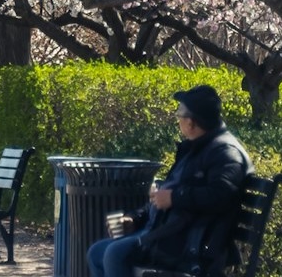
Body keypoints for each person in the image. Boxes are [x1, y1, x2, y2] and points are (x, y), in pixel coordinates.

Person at [88, 85, 253, 277]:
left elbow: (221, 195)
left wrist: (175, 197)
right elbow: (166, 194)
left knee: (115, 254)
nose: (178, 120)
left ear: (191, 122)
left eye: (179, 116)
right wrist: (136, 217)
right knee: (97, 252)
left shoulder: (226, 153)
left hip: (188, 245)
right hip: (168, 235)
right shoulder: (196, 148)